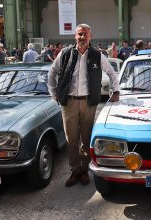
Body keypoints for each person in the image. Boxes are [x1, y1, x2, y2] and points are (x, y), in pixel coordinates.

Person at [48, 23, 120, 187]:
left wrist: (115, 92)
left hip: (88, 102)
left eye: (85, 34)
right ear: (75, 36)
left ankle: (85, 169)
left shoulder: (97, 55)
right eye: (79, 34)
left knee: (86, 138)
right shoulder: (65, 54)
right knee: (71, 139)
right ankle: (75, 170)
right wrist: (54, 93)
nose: (82, 37)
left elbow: (112, 73)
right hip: (69, 102)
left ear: (90, 36)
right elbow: (52, 73)